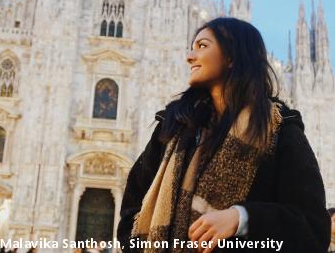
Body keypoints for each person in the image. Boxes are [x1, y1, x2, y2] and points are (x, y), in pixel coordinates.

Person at [117, 17, 331, 252]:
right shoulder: (173, 127)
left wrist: (242, 218)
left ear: (231, 57)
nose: (190, 56)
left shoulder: (279, 130)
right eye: (192, 47)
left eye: (202, 46)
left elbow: (312, 228)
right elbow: (132, 211)